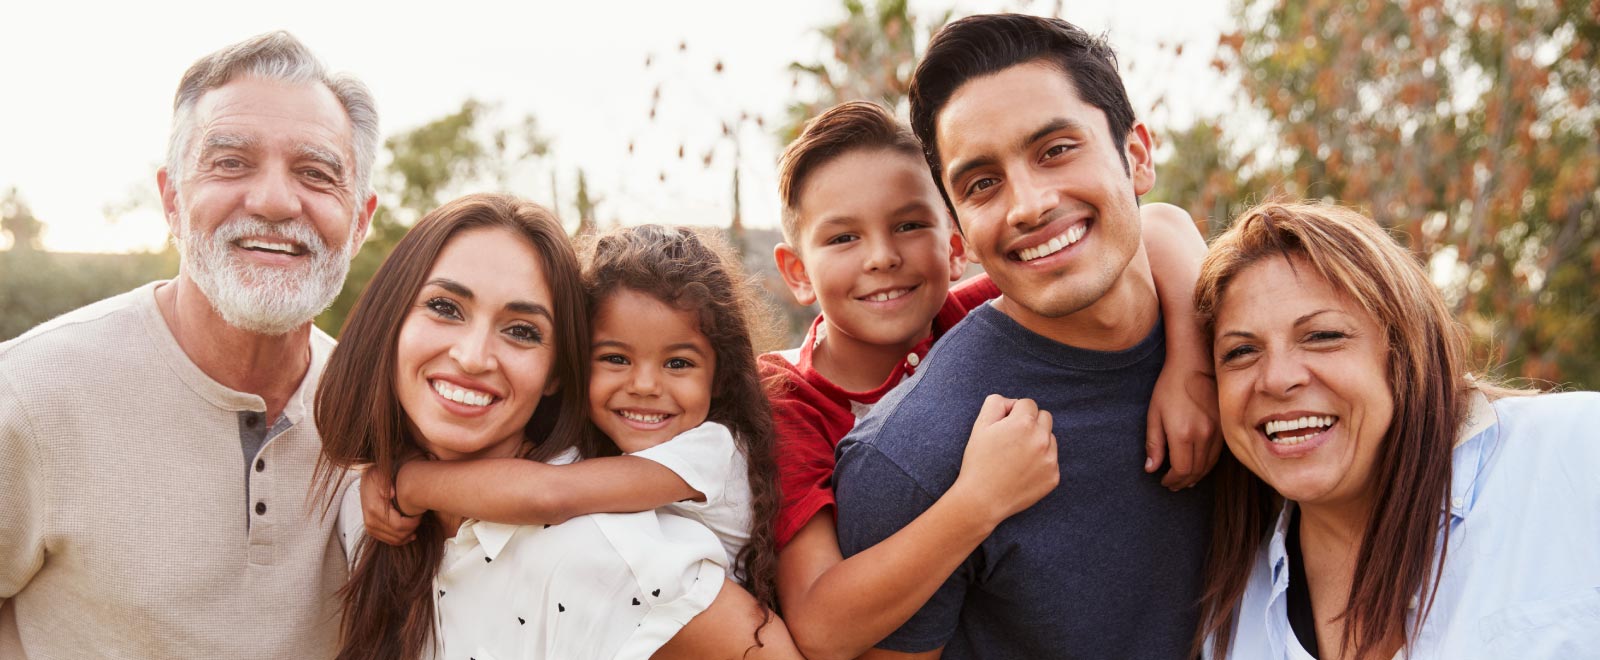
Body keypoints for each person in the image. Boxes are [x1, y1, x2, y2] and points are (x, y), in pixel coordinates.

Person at [762, 101, 1216, 659]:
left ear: (956, 248)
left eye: (909, 225)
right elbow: (819, 626)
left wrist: (1191, 369)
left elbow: (1159, 223)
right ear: (797, 272)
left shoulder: (970, 316)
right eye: (842, 239)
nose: (882, 257)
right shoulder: (786, 399)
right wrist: (979, 501)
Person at [0, 31, 378, 658]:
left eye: (316, 173)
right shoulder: (30, 394)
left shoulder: (382, 415)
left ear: (360, 221)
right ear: (173, 200)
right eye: (231, 163)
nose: (276, 201)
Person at [318, 195, 801, 660]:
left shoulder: (611, 553)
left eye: (522, 331)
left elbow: (552, 494)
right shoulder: (356, 510)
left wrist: (410, 483)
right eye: (445, 307)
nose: (472, 356)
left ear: (557, 371)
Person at [1193, 202, 1600, 659]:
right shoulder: (1221, 613)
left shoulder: (1579, 454)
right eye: (1241, 351)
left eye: (1323, 336)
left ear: (1403, 349)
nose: (1277, 378)